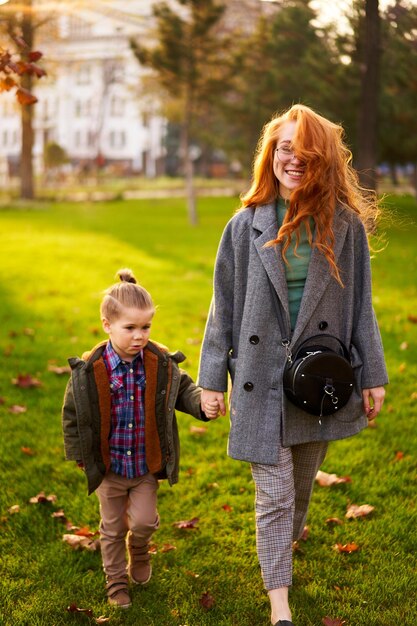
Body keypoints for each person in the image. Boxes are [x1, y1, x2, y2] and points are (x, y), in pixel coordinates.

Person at [198, 104, 388, 626]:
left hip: (321, 381)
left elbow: (361, 307)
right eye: (284, 148)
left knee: (300, 488)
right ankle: (279, 604)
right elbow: (223, 308)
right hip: (259, 379)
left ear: (322, 160)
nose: (293, 159)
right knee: (275, 496)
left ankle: (287, 539)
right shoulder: (244, 227)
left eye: (305, 151)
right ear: (271, 155)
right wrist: (212, 379)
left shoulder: (344, 228)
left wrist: (372, 374)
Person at [62, 269, 218, 609]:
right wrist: (79, 454)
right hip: (110, 467)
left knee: (145, 521)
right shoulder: (91, 371)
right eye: (129, 328)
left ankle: (140, 549)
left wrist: (202, 405)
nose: (139, 336)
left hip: (145, 464)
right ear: (107, 324)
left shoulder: (158, 363)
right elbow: (74, 416)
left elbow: (184, 390)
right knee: (113, 528)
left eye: (145, 327)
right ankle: (116, 583)